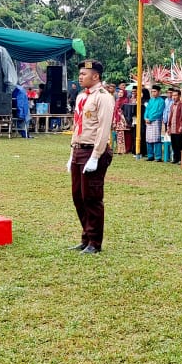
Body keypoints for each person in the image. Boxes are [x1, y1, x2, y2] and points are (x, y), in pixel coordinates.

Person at [66, 59, 115, 255]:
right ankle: (86, 237)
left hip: (93, 150)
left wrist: (96, 156)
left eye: (84, 74)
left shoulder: (103, 97)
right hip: (79, 148)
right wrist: (72, 153)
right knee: (78, 197)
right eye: (80, 74)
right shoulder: (80, 97)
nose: (80, 77)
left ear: (96, 76)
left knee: (91, 198)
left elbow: (103, 129)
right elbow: (78, 126)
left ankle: (95, 242)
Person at [144, 85, 165, 161]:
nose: (153, 93)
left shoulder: (161, 101)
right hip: (148, 121)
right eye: (152, 91)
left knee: (156, 139)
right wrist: (145, 118)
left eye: (155, 91)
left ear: (159, 92)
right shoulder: (151, 100)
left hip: (156, 121)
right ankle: (150, 156)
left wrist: (151, 119)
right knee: (148, 138)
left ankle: (158, 157)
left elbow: (159, 112)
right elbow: (147, 110)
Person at [165, 88, 182, 163]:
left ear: (179, 96)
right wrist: (168, 127)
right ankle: (175, 158)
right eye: (173, 95)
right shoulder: (172, 105)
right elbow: (169, 117)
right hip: (172, 128)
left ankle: (181, 159)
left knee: (180, 144)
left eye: (175, 95)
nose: (174, 97)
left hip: (179, 128)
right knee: (174, 144)